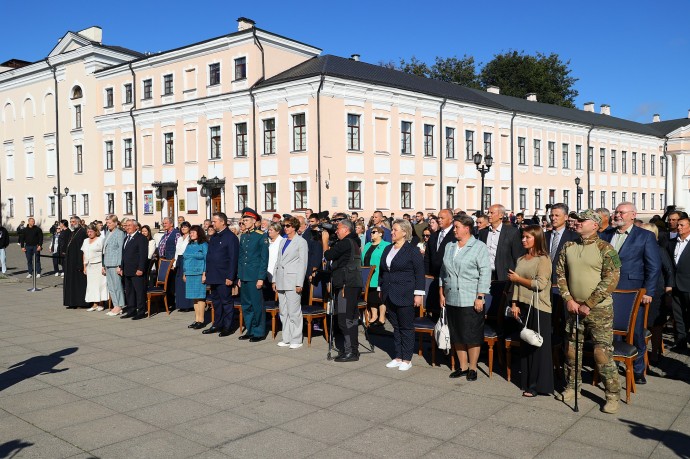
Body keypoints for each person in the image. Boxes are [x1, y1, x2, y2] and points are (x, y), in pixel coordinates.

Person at [556, 209, 621, 414]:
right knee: (571, 351)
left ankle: (612, 395)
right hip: (573, 308)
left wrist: (589, 303)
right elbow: (560, 275)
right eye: (577, 221)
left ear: (595, 225)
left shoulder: (606, 249)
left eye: (582, 221)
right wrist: (568, 299)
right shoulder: (568, 246)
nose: (577, 223)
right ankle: (572, 387)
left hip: (599, 310)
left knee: (601, 354)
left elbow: (611, 280)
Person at [600, 202, 661, 385]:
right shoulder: (606, 235)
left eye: (621, 212)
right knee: (610, 331)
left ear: (633, 215)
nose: (617, 215)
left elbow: (653, 266)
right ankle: (611, 365)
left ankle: (639, 369)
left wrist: (648, 291)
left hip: (633, 291)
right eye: (616, 212)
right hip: (608, 290)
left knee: (635, 332)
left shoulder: (645, 236)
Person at [439, 214, 491, 381]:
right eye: (454, 227)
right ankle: (462, 366)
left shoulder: (479, 247)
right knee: (457, 333)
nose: (454, 230)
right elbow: (443, 271)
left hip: (470, 297)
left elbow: (485, 273)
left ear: (467, 229)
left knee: (472, 334)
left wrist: (480, 296)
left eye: (457, 227)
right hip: (452, 296)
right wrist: (442, 291)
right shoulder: (450, 246)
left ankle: (473, 367)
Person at [508, 225, 554, 396]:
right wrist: (514, 303)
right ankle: (527, 381)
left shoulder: (543, 259)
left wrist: (518, 278)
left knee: (538, 346)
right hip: (523, 305)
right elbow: (515, 284)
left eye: (528, 237)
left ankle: (538, 386)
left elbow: (540, 285)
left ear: (537, 238)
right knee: (526, 343)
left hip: (539, 306)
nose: (523, 240)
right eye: (523, 237)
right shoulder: (521, 259)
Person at [378, 219, 425, 371]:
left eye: (395, 230)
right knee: (396, 327)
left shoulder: (412, 251)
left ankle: (407, 358)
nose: (392, 232)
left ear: (404, 232)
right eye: (392, 230)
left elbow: (419, 273)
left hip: (405, 293)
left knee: (406, 327)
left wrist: (418, 294)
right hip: (389, 293)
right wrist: (380, 288)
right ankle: (398, 357)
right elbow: (382, 270)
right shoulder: (387, 249)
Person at [324, 219, 363, 362]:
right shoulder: (354, 241)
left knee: (344, 318)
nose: (335, 231)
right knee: (350, 318)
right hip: (352, 284)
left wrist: (324, 240)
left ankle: (350, 351)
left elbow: (328, 256)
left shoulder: (346, 242)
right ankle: (352, 349)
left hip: (347, 285)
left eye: (338, 228)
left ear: (346, 229)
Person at [273, 216, 309, 349]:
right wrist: (274, 279)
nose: (285, 228)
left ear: (294, 227)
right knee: (283, 311)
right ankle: (286, 337)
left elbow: (302, 263)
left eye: (287, 226)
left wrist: (300, 283)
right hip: (281, 279)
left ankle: (296, 339)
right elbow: (278, 261)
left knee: (294, 311)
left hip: (293, 280)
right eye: (284, 225)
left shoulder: (301, 242)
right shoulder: (282, 241)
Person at [640, 223, 674, 364]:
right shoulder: (639, 249)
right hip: (640, 289)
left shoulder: (660, 250)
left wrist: (668, 291)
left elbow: (669, 271)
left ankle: (654, 352)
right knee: (641, 323)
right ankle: (641, 353)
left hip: (656, 291)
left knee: (655, 324)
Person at [203, 212, 239, 337]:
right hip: (213, 275)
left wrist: (230, 277)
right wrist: (207, 274)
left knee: (226, 303)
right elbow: (210, 257)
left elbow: (233, 258)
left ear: (222, 222)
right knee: (216, 303)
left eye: (215, 221)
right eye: (212, 221)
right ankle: (217, 324)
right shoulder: (214, 237)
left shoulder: (230, 237)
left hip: (224, 277)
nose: (213, 223)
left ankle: (228, 327)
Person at [237, 208, 269, 342]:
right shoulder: (243, 236)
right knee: (246, 305)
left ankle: (259, 332)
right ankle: (250, 330)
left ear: (254, 221)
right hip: (244, 276)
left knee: (256, 305)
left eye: (247, 220)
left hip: (255, 276)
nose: (244, 222)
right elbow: (240, 258)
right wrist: (239, 276)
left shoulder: (261, 235)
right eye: (243, 220)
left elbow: (264, 259)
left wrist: (261, 278)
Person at [478, 204, 525, 281]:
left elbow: (517, 255)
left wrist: (515, 274)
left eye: (492, 213)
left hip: (504, 276)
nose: (489, 215)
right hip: (486, 275)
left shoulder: (512, 232)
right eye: (488, 213)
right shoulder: (483, 232)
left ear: (501, 215)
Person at [424, 209, 455, 320]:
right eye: (438, 217)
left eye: (442, 218)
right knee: (436, 307)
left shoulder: (454, 234)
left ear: (451, 219)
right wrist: (426, 273)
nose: (439, 220)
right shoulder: (434, 235)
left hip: (448, 277)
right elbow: (428, 256)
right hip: (433, 277)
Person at [361, 226, 391, 330]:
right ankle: (374, 316)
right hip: (367, 275)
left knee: (380, 297)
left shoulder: (386, 245)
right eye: (371, 232)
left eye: (374, 232)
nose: (371, 234)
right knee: (371, 297)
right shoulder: (367, 245)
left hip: (379, 274)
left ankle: (382, 317)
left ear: (381, 234)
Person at [119, 219, 149, 320]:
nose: (127, 227)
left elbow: (143, 255)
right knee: (129, 292)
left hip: (137, 270)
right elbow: (124, 255)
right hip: (127, 270)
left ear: (136, 227)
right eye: (126, 226)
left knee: (139, 292)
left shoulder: (141, 238)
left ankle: (141, 311)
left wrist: (140, 268)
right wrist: (121, 267)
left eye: (130, 225)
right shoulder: (126, 238)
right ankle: (131, 310)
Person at [668, 217, 690, 352]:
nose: (679, 227)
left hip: (688, 284)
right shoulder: (671, 243)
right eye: (678, 225)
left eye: (682, 225)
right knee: (678, 315)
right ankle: (681, 341)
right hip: (675, 285)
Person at [183, 225, 208, 329]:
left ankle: (201, 320)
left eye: (193, 232)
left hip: (199, 273)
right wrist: (184, 273)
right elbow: (184, 259)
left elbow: (207, 259)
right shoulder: (189, 245)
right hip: (189, 273)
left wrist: (204, 274)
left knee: (200, 297)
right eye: (191, 232)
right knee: (194, 298)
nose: (191, 234)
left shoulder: (204, 244)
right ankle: (196, 319)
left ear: (199, 233)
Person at [102, 215, 126, 316]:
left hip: (115, 263)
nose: (108, 225)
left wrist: (119, 265)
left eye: (110, 223)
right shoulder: (108, 233)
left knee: (117, 286)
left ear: (116, 223)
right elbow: (105, 250)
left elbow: (121, 250)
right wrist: (103, 265)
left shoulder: (120, 233)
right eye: (107, 223)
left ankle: (120, 305)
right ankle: (115, 305)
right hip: (107, 263)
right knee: (111, 286)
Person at [82, 224, 109, 312]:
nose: (89, 233)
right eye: (88, 232)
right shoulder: (85, 241)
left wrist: (103, 266)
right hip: (90, 266)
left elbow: (104, 253)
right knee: (92, 285)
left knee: (100, 284)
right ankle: (94, 304)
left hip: (99, 265)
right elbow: (84, 254)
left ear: (95, 231)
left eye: (91, 231)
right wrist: (84, 266)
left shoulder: (100, 240)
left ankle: (101, 303)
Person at [63, 216, 88, 309]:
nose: (72, 223)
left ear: (78, 222)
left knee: (79, 283)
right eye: (71, 222)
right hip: (70, 262)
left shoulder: (82, 232)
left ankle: (81, 302)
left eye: (73, 221)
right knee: (71, 283)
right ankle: (72, 302)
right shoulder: (73, 232)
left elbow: (83, 250)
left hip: (78, 262)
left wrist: (81, 264)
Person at [158, 217, 180, 308]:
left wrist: (174, 262)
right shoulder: (165, 234)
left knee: (171, 282)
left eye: (165, 223)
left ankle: (173, 302)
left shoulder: (176, 234)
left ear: (171, 224)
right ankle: (168, 301)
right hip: (164, 261)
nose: (164, 225)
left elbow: (177, 249)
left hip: (171, 261)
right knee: (167, 282)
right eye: (163, 223)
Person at [173, 222, 193, 312]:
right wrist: (174, 263)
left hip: (187, 260)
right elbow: (177, 251)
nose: (183, 228)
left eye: (185, 227)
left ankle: (188, 305)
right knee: (179, 283)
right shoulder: (180, 238)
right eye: (182, 227)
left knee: (186, 283)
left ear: (189, 228)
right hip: (179, 260)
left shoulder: (190, 238)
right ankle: (181, 304)